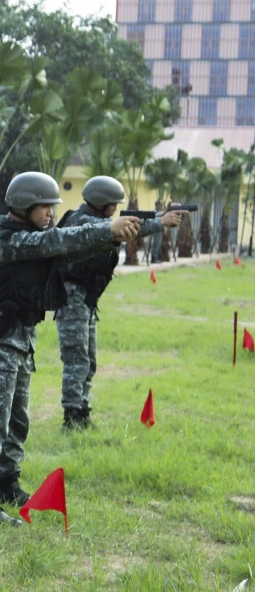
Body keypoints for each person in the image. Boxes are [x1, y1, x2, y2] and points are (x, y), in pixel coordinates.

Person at [0, 172, 143, 524]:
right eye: (45, 207)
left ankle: (8, 483)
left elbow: (67, 247)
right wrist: (106, 230)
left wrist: (111, 237)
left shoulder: (31, 237)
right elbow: (58, 241)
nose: (50, 214)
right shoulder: (6, 240)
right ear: (25, 205)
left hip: (19, 341)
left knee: (18, 420)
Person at [55, 176, 181, 430]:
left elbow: (126, 223)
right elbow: (119, 228)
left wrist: (160, 216)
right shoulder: (80, 221)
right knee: (76, 360)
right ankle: (71, 418)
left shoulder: (98, 219)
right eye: (112, 204)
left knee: (88, 361)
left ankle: (83, 413)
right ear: (100, 203)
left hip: (86, 300)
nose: (115, 209)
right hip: (72, 298)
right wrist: (160, 222)